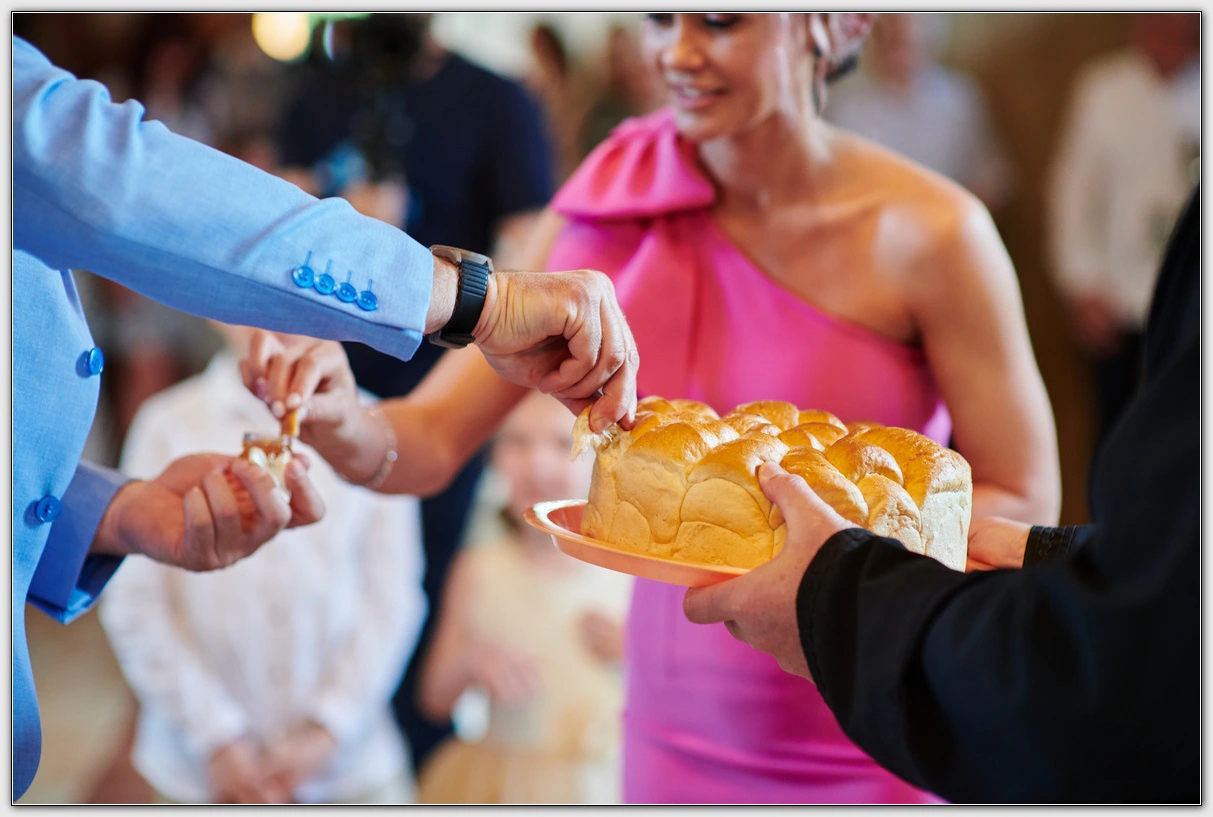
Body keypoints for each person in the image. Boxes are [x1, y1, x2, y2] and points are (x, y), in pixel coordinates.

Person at [246, 12, 1060, 805]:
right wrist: (339, 416)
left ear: (837, 23)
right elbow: (426, 439)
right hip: (666, 736)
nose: (676, 52)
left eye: (719, 22)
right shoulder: (608, 202)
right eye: (659, 19)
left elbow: (1021, 496)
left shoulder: (935, 232)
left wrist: (853, 586)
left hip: (870, 724)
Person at [13, 34, 637, 800]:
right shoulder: (314, 97)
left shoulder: (501, 104)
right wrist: (478, 300)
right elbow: (110, 175)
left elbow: (392, 593)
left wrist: (107, 511)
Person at [684, 184, 1198, 803]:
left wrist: (837, 600)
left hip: (883, 699)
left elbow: (1137, 669)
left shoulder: (940, 228)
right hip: (701, 693)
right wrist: (1065, 559)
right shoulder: (635, 205)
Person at [274, 13, 560, 770]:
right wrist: (342, 224)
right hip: (321, 391)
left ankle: (413, 762)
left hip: (445, 399)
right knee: (317, 589)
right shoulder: (314, 92)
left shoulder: (496, 101)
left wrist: (421, 275)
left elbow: (530, 251)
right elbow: (274, 229)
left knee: (424, 591)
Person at [98, 323, 428, 805]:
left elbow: (393, 597)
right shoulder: (167, 425)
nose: (280, 320)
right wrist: (217, 738)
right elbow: (134, 601)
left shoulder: (376, 429)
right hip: (197, 770)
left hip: (350, 770)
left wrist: (328, 729)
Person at [414, 391, 633, 804]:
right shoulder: (478, 568)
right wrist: (471, 662)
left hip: (606, 784)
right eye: (517, 442)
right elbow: (434, 698)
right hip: (505, 786)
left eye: (560, 443)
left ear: (600, 461)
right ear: (494, 456)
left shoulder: (631, 570)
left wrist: (635, 652)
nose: (537, 464)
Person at [1046, 12, 1199, 441]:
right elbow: (1073, 195)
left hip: (1193, 302)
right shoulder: (1104, 89)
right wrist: (1081, 282)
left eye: (1186, 34)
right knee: (1117, 431)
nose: (1173, 45)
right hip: (1120, 299)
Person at [827, 12, 1013, 212]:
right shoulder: (845, 106)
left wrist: (955, 220)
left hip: (946, 220)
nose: (898, 51)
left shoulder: (960, 98)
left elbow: (991, 180)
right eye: (888, 36)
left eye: (906, 38)